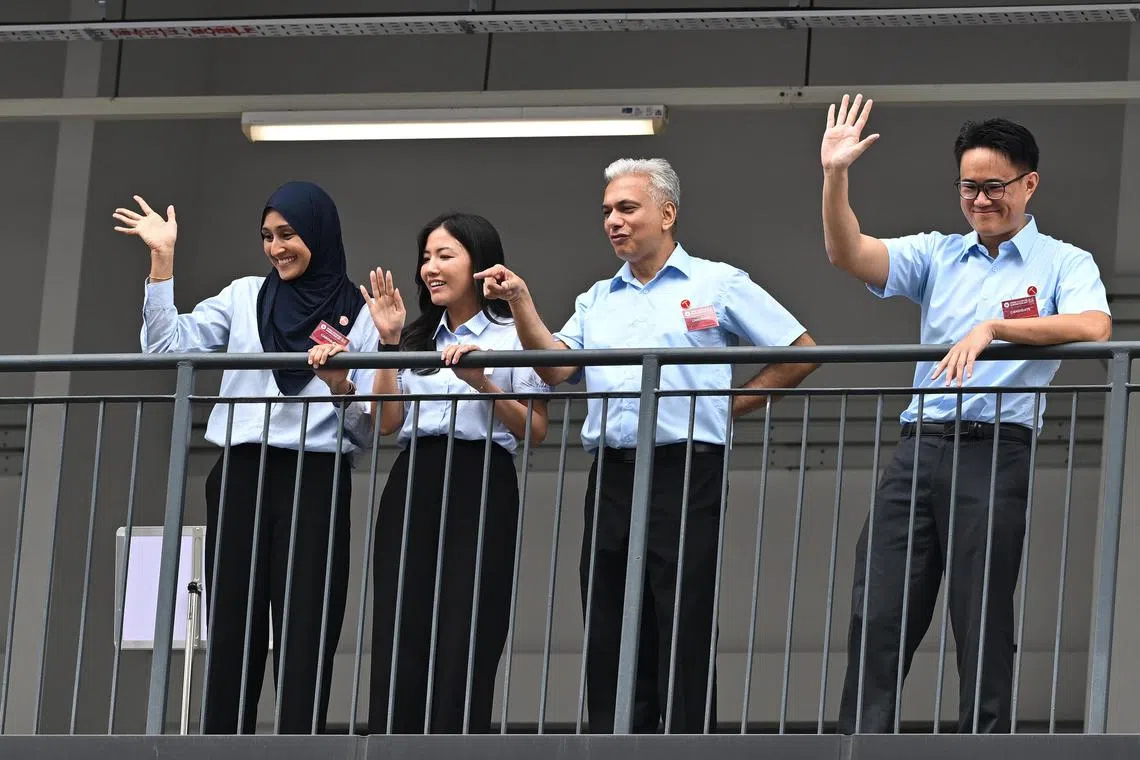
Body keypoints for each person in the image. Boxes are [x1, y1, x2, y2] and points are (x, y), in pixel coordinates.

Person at [470, 158, 818, 734]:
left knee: (679, 612)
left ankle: (686, 745)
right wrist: (522, 302)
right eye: (606, 211)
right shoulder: (597, 298)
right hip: (611, 469)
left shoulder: (718, 282)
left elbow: (799, 351)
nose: (613, 221)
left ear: (667, 212)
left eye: (627, 208)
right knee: (607, 614)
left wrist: (727, 404)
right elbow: (555, 370)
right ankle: (613, 742)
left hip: (686, 466)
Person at [820, 94, 1112, 733]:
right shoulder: (938, 254)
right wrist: (835, 175)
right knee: (880, 602)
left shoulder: (1063, 261)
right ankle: (861, 743)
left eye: (995, 187)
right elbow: (849, 253)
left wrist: (996, 328)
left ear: (1028, 184)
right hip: (919, 445)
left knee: (980, 609)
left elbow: (1094, 325)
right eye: (968, 188)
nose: (981, 200)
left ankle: (985, 743)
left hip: (995, 447)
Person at [115, 181, 379, 734]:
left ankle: (298, 748)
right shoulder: (242, 296)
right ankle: (221, 745)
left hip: (316, 477)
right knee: (232, 621)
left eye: (288, 234)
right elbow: (165, 348)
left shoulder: (364, 315)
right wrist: (162, 262)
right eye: (267, 236)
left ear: (320, 234)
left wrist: (340, 387)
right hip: (240, 475)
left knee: (307, 624)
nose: (276, 247)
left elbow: (364, 431)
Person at [309, 212, 552, 734]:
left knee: (470, 622)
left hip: (483, 476)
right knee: (401, 619)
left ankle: (455, 742)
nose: (430, 269)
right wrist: (390, 345)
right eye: (426, 257)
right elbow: (389, 423)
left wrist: (483, 383)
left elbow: (534, 430)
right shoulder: (414, 335)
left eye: (445, 256)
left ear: (479, 263)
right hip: (414, 475)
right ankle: (394, 741)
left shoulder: (512, 334)